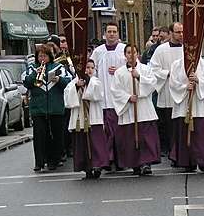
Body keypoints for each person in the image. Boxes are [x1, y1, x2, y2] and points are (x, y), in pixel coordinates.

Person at [111, 44, 160, 175]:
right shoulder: (119, 72)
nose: (131, 55)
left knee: (146, 138)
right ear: (124, 55)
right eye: (128, 53)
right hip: (129, 110)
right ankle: (135, 164)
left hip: (144, 108)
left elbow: (153, 84)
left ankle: (146, 163)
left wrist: (139, 77)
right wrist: (127, 97)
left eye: (133, 52)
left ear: (138, 54)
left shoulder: (145, 69)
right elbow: (115, 91)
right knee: (131, 139)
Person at [24, 44, 71, 171]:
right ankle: (39, 162)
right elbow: (26, 83)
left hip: (56, 107)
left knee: (56, 136)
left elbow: (68, 81)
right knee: (40, 136)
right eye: (40, 56)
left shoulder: (58, 67)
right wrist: (36, 75)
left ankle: (54, 161)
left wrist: (58, 80)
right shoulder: (31, 68)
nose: (42, 59)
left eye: (44, 56)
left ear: (49, 56)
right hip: (38, 108)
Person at [90, 22, 127, 169]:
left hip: (120, 97)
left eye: (114, 31)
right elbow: (92, 70)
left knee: (120, 131)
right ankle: (108, 158)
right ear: (104, 34)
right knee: (106, 131)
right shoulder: (98, 52)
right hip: (104, 97)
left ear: (118, 34)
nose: (111, 34)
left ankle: (121, 160)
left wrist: (119, 69)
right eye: (109, 32)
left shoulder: (124, 49)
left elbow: (132, 66)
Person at [169, 56, 204, 172]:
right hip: (183, 106)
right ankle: (187, 161)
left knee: (201, 135)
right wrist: (185, 87)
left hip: (200, 108)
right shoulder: (177, 65)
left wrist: (198, 80)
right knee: (184, 134)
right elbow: (173, 84)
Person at [63, 60, 109, 179]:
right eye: (86, 67)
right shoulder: (73, 82)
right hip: (80, 119)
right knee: (82, 145)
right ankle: (87, 168)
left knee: (96, 144)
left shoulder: (96, 81)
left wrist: (87, 84)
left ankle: (97, 165)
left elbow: (98, 95)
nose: (89, 70)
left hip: (94, 118)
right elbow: (68, 99)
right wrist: (76, 87)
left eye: (91, 68)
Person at [149, 22, 184, 156]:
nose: (180, 35)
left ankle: (180, 150)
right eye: (177, 32)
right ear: (170, 33)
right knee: (168, 124)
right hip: (167, 92)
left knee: (180, 125)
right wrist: (168, 73)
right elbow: (153, 69)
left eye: (182, 32)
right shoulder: (161, 50)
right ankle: (169, 149)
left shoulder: (187, 49)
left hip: (183, 92)